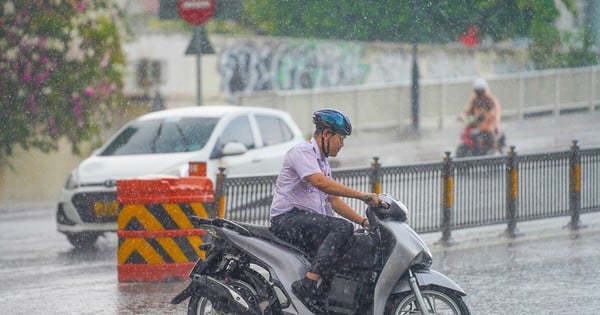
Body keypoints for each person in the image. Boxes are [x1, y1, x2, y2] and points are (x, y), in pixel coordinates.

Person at [269, 109, 381, 311]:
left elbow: (334, 201)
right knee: (342, 228)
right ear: (326, 134)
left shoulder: (322, 162)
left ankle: (321, 303)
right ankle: (308, 285)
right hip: (287, 219)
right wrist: (363, 196)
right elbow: (322, 184)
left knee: (348, 250)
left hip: (306, 221)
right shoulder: (302, 153)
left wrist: (365, 223)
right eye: (341, 138)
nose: (342, 144)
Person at [460, 78, 503, 153]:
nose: (479, 93)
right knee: (470, 132)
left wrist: (494, 124)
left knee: (492, 135)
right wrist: (463, 116)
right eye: (477, 91)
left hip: (489, 125)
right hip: (477, 124)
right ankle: (476, 152)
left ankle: (495, 152)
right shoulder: (474, 99)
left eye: (481, 91)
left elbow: (495, 113)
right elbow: (468, 109)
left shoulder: (490, 100)